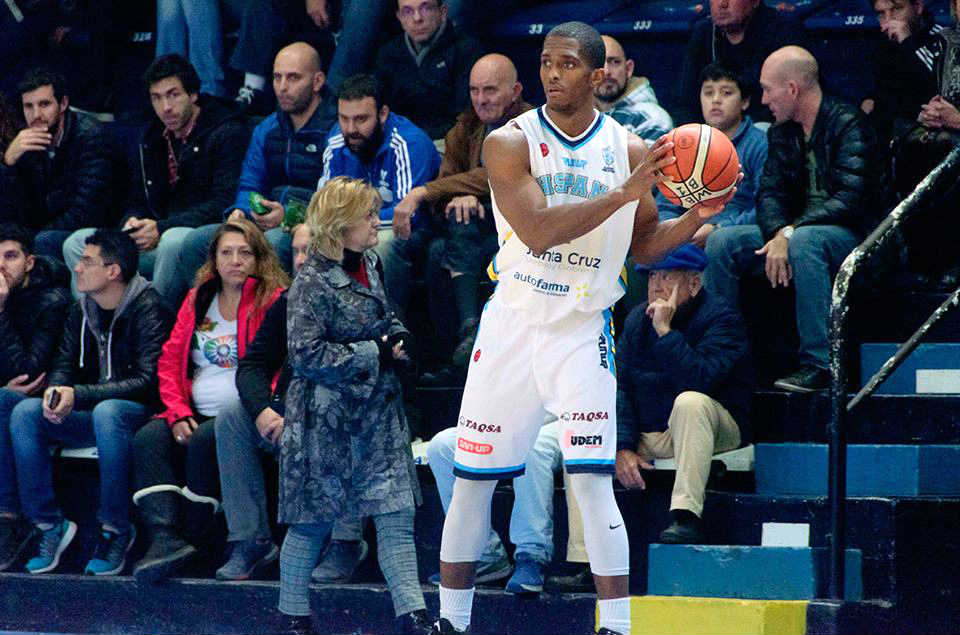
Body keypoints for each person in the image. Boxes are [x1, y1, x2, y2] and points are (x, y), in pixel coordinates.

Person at [432, 21, 736, 635]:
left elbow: (644, 245)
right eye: (546, 62)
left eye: (567, 63)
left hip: (581, 330)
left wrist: (695, 217)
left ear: (597, 75)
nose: (552, 73)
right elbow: (539, 230)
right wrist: (623, 194)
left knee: (592, 482)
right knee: (472, 483)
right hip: (513, 326)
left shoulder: (630, 150)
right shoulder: (509, 142)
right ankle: (451, 622)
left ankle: (616, 627)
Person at [277, 177, 430, 635]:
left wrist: (398, 336)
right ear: (341, 224)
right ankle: (293, 616)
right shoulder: (310, 282)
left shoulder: (370, 262)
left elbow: (383, 315)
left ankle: (414, 617)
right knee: (313, 521)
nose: (375, 222)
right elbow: (305, 355)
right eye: (367, 215)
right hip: (325, 420)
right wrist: (374, 352)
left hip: (379, 413)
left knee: (396, 513)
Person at [704, 46, 885, 393]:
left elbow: (851, 200)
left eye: (768, 89)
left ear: (792, 89)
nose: (764, 99)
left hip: (856, 236)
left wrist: (789, 231)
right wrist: (777, 233)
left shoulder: (850, 124)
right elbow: (769, 194)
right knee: (723, 242)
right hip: (793, 232)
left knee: (805, 241)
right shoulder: (781, 132)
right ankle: (724, 356)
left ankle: (821, 364)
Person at [131, 219, 288, 583]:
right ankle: (165, 538)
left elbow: (279, 366)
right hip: (194, 408)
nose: (235, 260)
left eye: (244, 253)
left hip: (247, 413)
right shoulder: (199, 297)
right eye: (226, 253)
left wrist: (261, 404)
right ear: (214, 260)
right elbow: (169, 360)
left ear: (259, 258)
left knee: (206, 438)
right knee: (149, 438)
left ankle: (195, 538)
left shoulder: (274, 299)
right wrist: (177, 412)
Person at [6, 229, 170, 575]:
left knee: (109, 413)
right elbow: (64, 364)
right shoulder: (81, 308)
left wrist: (78, 394)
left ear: (113, 271)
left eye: (86, 261)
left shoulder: (149, 307)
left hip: (141, 414)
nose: (77, 268)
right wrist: (56, 392)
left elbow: (148, 382)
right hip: (94, 412)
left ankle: (116, 528)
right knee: (26, 412)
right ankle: (48, 524)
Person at [62, 54, 248, 307]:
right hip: (155, 235)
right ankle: (96, 323)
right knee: (77, 242)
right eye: (156, 98)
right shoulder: (152, 137)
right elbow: (137, 198)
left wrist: (161, 228)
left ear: (193, 94)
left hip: (197, 239)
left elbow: (223, 203)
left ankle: (153, 320)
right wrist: (133, 221)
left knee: (174, 241)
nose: (165, 107)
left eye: (173, 95)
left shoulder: (226, 132)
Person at [392, 53, 533, 378]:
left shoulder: (532, 126)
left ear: (515, 91)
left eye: (490, 90)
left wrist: (425, 191)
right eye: (474, 90)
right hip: (470, 232)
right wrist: (458, 198)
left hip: (520, 229)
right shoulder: (465, 127)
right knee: (437, 251)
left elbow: (501, 171)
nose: (480, 99)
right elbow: (446, 186)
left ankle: (470, 336)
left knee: (454, 239)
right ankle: (456, 350)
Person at [615, 244, 752, 543]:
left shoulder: (722, 318)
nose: (656, 285)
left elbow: (700, 379)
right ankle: (582, 557)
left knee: (690, 402)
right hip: (655, 432)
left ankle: (686, 516)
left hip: (715, 427)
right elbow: (621, 386)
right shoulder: (637, 319)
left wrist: (665, 332)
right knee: (584, 437)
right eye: (652, 276)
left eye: (666, 276)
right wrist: (622, 447)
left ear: (694, 283)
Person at [176, 41, 336, 286]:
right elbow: (250, 183)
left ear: (317, 81)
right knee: (195, 243)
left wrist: (288, 216)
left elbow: (334, 197)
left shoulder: (336, 128)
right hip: (265, 221)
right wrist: (241, 211)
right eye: (277, 77)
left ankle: (274, 311)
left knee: (275, 242)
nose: (282, 87)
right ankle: (209, 309)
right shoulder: (266, 128)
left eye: (293, 78)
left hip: (311, 224)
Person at [213, 223, 310, 581]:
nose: (301, 260)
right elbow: (253, 365)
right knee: (232, 416)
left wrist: (295, 414)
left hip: (333, 413)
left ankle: (341, 542)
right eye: (296, 252)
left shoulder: (356, 297)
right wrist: (263, 411)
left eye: (309, 251)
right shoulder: (290, 301)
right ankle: (251, 539)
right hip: (288, 409)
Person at [319, 73, 440, 322]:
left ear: (383, 114)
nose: (350, 129)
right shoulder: (337, 141)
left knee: (380, 244)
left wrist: (350, 223)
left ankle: (390, 327)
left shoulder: (408, 142)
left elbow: (406, 217)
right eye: (344, 118)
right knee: (309, 238)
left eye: (361, 119)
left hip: (413, 233)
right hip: (356, 227)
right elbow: (326, 206)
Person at [0, 223, 71, 571]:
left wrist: (0, 311)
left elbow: (29, 374)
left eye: (10, 257)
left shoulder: (51, 301)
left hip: (48, 402)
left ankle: (10, 519)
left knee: (6, 404)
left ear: (29, 262)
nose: (1, 267)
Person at [0, 68, 126, 260]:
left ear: (63, 103)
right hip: (47, 232)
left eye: (44, 104)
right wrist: (8, 163)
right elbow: (14, 210)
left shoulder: (92, 138)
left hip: (96, 234)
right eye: (28, 106)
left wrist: (27, 241)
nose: (36, 114)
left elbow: (85, 213)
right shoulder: (27, 142)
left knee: (42, 242)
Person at [658, 61, 769, 250]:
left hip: (732, 236)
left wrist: (718, 227)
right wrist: (673, 230)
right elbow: (665, 204)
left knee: (718, 242)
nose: (716, 100)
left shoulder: (760, 144)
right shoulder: (684, 142)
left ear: (745, 102)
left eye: (726, 93)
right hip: (686, 233)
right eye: (708, 93)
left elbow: (766, 207)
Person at [677, 0, 806, 124]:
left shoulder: (784, 32)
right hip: (716, 131)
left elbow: (793, 104)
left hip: (768, 129)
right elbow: (687, 103)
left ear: (755, 1)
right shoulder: (703, 33)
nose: (722, 3)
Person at [375, 0, 484, 140]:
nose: (417, 18)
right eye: (407, 11)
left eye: (425, 8)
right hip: (399, 139)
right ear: (399, 17)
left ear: (443, 11)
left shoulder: (467, 50)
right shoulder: (388, 54)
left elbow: (466, 115)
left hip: (448, 140)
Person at [863, 0, 944, 144]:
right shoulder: (883, 44)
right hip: (895, 139)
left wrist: (907, 43)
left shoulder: (944, 40)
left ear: (917, 7)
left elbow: (936, 93)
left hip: (935, 138)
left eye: (897, 9)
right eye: (881, 13)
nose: (888, 20)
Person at [595, 35, 673, 145]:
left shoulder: (652, 119)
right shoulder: (576, 116)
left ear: (628, 69)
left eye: (615, 62)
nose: (606, 71)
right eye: (597, 63)